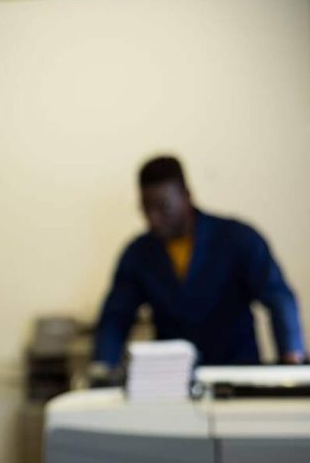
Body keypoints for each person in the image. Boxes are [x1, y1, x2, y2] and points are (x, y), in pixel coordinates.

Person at [93, 155, 305, 370]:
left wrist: (291, 360)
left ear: (186, 196)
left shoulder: (237, 239)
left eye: (163, 207)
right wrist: (102, 369)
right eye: (147, 209)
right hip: (173, 379)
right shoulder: (138, 253)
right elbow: (115, 319)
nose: (154, 219)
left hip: (236, 373)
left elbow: (278, 298)